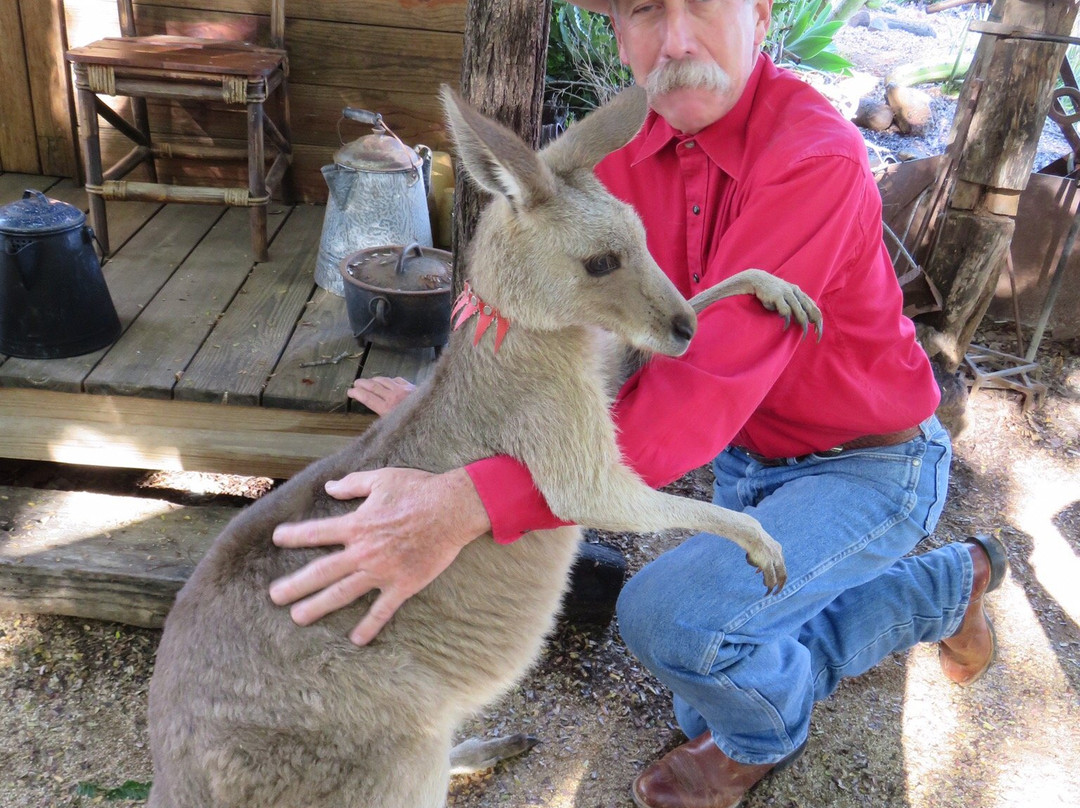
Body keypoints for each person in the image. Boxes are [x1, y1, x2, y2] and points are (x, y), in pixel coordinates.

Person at [268, 1, 1008, 806]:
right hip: (748, 460)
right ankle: (943, 589)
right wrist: (450, 409)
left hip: (867, 460)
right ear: (617, 31)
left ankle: (763, 737)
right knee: (712, 660)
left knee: (674, 625)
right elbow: (530, 305)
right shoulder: (611, 156)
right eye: (648, 10)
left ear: (760, 14)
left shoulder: (810, 156)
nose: (678, 40)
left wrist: (466, 501)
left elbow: (695, 395)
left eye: (705, 4)